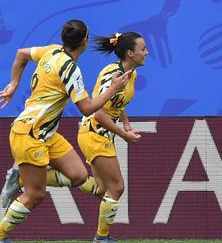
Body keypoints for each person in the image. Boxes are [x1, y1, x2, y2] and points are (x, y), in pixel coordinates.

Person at [0, 20, 132, 243]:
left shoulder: (51, 51)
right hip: (30, 134)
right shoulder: (71, 70)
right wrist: (113, 89)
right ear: (84, 41)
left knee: (79, 175)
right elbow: (88, 108)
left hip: (46, 133)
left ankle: (22, 179)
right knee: (36, 194)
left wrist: (13, 83)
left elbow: (21, 54)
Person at [76, 32, 145, 243]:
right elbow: (97, 112)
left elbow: (116, 103)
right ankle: (101, 238)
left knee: (102, 189)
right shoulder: (112, 75)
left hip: (100, 133)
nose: (147, 52)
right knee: (117, 187)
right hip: (94, 132)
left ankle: (41, 178)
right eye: (143, 49)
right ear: (130, 53)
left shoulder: (130, 73)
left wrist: (125, 122)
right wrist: (124, 135)